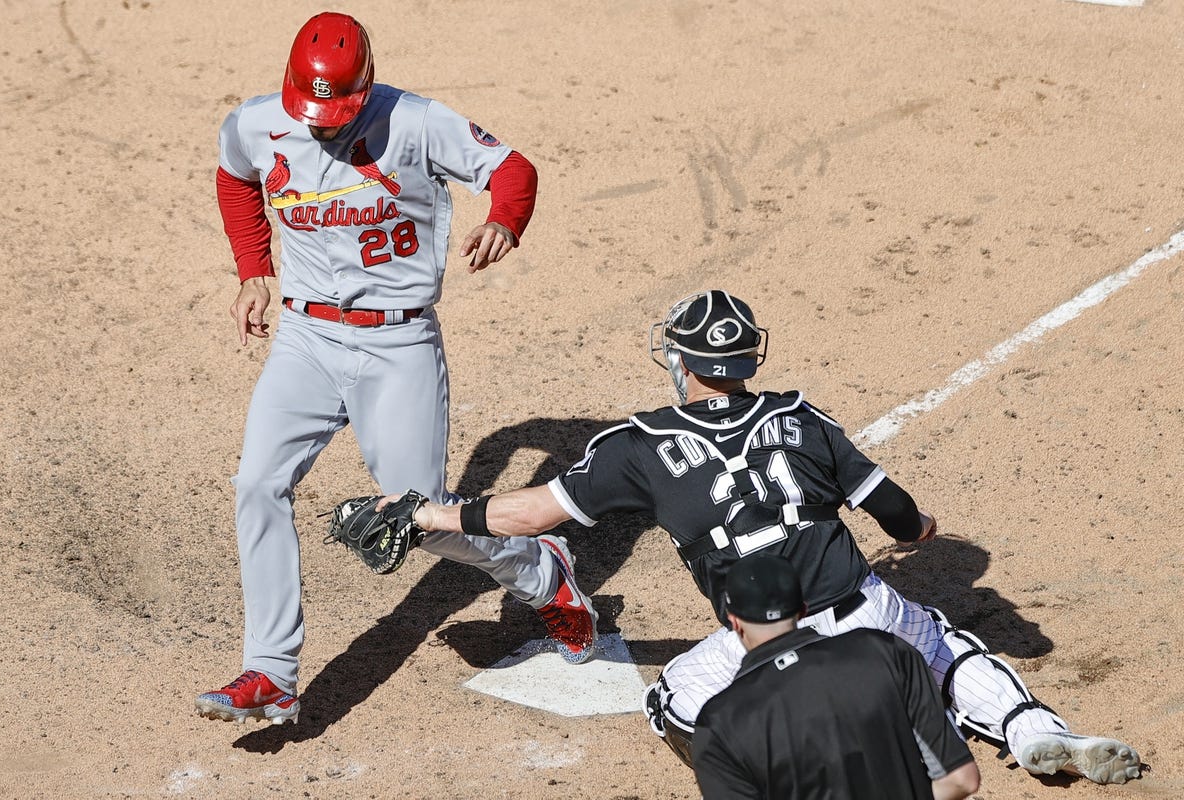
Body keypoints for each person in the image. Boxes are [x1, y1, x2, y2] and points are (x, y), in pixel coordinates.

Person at [385, 289, 1142, 785]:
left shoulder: (640, 446)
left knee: (675, 705)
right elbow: (900, 514)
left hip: (762, 640)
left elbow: (531, 515)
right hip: (865, 612)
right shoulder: (804, 420)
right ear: (749, 359)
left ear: (683, 364)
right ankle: (1035, 729)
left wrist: (430, 515)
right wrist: (921, 530)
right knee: (940, 648)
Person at [194, 12, 597, 726]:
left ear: (366, 86)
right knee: (257, 484)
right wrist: (252, 269)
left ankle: (543, 573)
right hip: (306, 338)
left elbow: (513, 169)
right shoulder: (254, 123)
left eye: (333, 112)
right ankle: (270, 671)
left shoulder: (414, 121)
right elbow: (235, 178)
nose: (318, 126)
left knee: (426, 524)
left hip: (398, 346)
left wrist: (507, 216)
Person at [691, 552, 980, 800]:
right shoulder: (883, 652)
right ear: (803, 609)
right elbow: (960, 780)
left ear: (734, 622)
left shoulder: (718, 723)